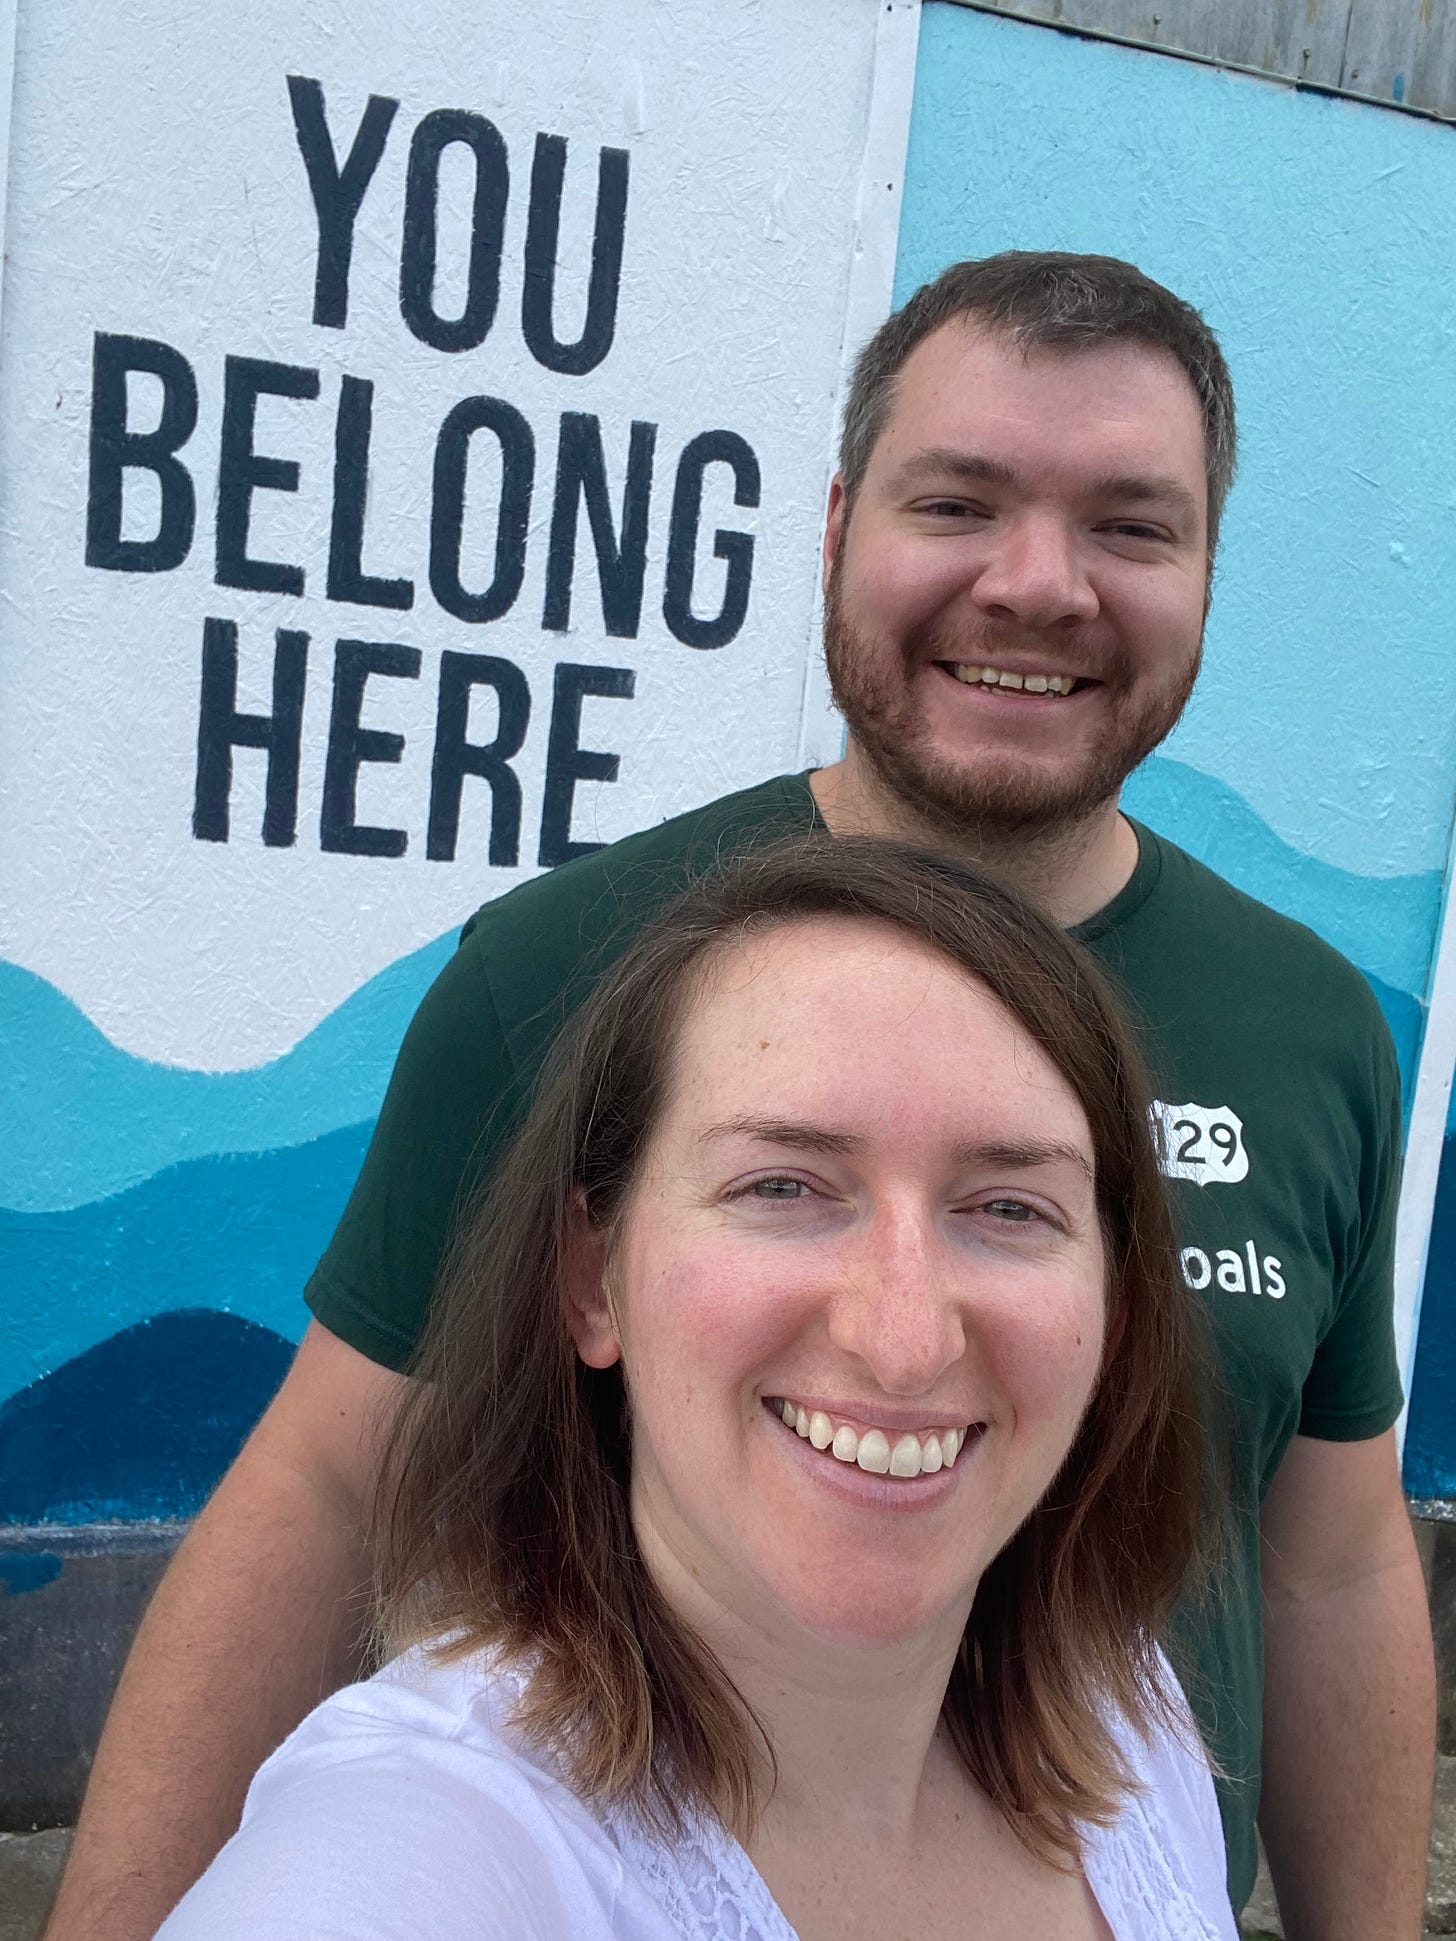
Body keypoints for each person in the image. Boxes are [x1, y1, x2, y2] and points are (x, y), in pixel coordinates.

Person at [46, 253, 1434, 1941]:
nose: (1038, 584)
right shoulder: (562, 965)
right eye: (960, 500)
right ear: (838, 522)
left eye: (1133, 526)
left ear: (1208, 574)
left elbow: (1334, 1554)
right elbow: (332, 1485)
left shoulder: (1310, 1021)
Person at [155, 839, 1238, 1941]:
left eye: (1010, 1209)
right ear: (593, 1282)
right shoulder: (432, 1836)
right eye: (782, 1186)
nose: (904, 1342)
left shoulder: (1121, 1723)